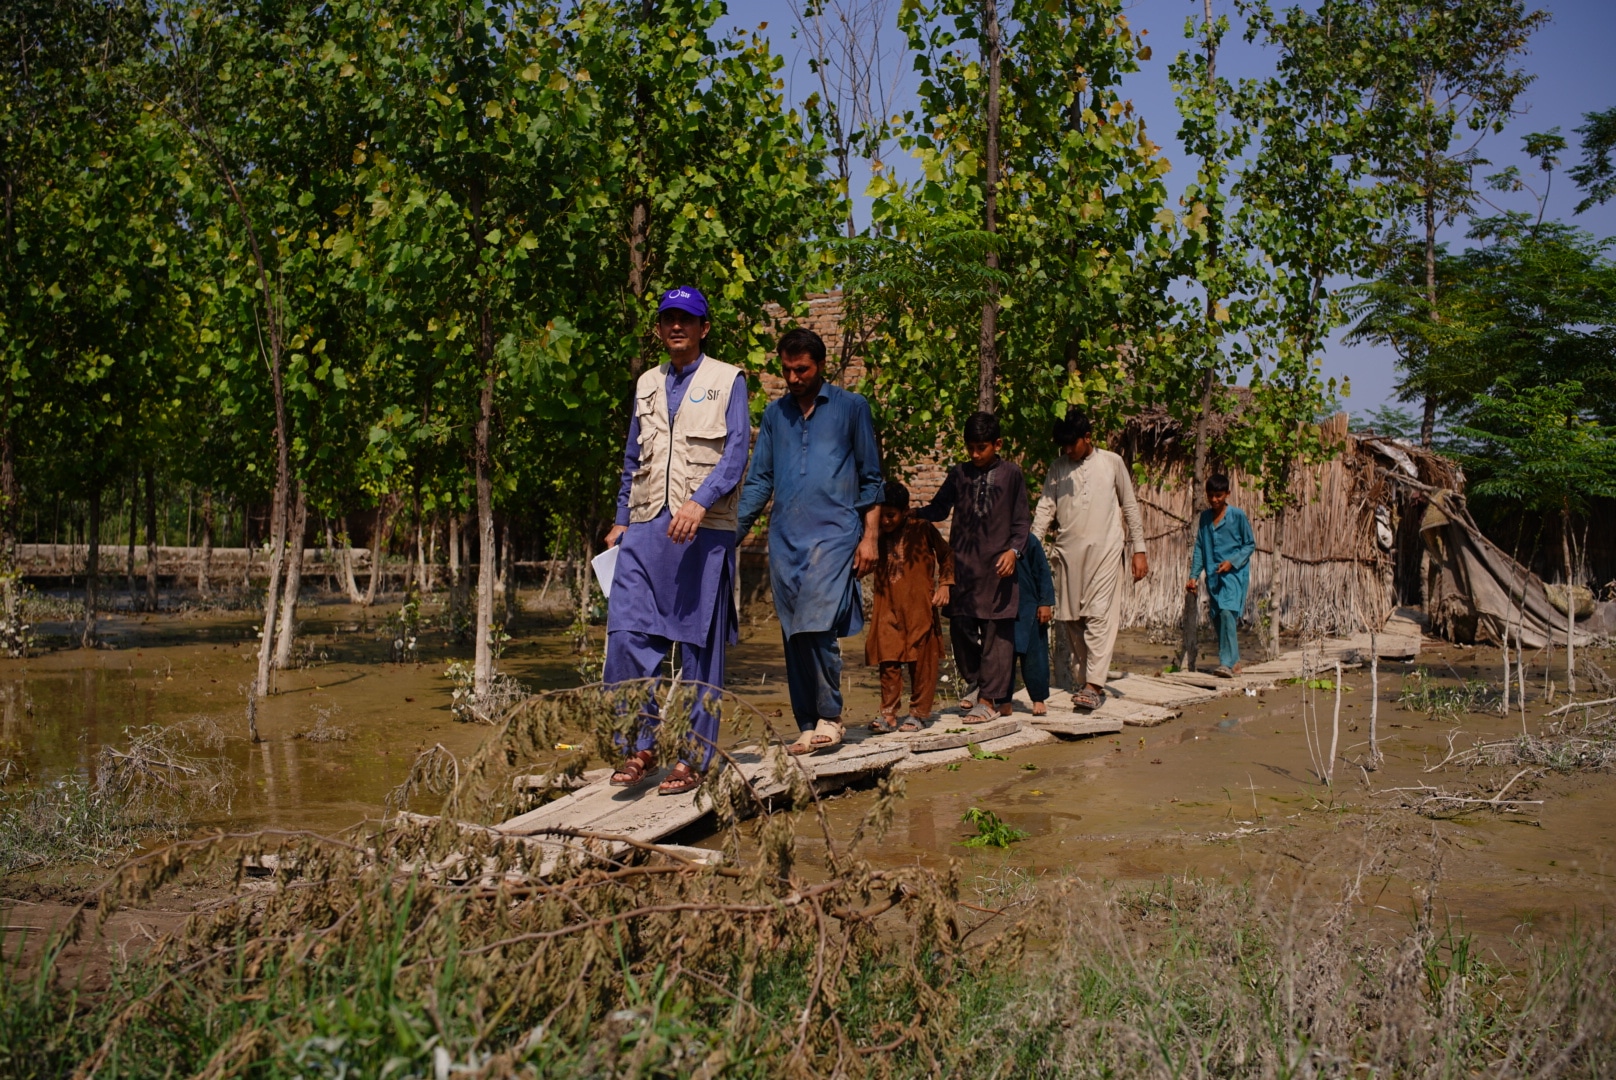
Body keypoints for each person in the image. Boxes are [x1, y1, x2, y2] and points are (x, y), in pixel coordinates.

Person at [602, 286, 749, 795]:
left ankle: (691, 757)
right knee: (626, 636)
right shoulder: (646, 382)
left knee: (697, 647)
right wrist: (622, 517)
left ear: (704, 328)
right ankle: (636, 746)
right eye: (668, 319)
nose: (677, 327)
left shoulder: (728, 379)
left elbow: (734, 455)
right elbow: (630, 458)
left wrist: (700, 501)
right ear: (660, 328)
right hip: (645, 527)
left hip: (702, 531)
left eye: (687, 319)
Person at [736, 328, 883, 755]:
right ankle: (806, 721)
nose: (793, 377)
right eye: (786, 370)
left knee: (817, 624)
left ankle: (830, 716)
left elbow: (872, 478)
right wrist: (733, 535)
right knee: (793, 632)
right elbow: (760, 479)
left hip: (836, 533)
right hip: (785, 538)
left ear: (821, 366)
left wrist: (869, 537)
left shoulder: (852, 409)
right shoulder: (774, 415)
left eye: (801, 369)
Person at [914, 412, 1031, 724]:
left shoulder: (1011, 474)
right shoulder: (959, 474)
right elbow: (939, 508)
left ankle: (989, 700)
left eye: (982, 447)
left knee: (997, 635)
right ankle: (977, 682)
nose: (975, 454)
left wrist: (1014, 552)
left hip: (999, 569)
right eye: (970, 448)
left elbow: (1021, 524)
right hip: (963, 566)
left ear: (998, 444)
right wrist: (911, 514)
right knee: (961, 627)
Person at [1030, 410, 1148, 712]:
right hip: (1068, 555)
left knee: (1098, 616)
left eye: (1073, 444)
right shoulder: (1057, 468)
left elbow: (1130, 506)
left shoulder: (1111, 462)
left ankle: (1094, 684)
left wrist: (1139, 549)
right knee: (1073, 620)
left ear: (1088, 438)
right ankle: (1087, 681)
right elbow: (1045, 508)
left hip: (1106, 551)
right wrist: (1031, 546)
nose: (1069, 450)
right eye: (1064, 446)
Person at [865, 481, 953, 733]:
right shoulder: (875, 534)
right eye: (881, 516)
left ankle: (919, 713)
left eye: (891, 515)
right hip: (886, 606)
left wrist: (945, 585)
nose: (885, 521)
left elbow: (946, 554)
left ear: (905, 511)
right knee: (888, 660)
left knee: (921, 661)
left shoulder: (922, 528)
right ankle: (888, 714)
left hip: (919, 606)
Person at [1186, 473, 1255, 677]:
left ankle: (1225, 663)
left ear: (1227, 494)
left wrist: (1231, 562)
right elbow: (1200, 547)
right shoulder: (1205, 519)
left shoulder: (1238, 516)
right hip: (1213, 578)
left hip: (1234, 576)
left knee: (1227, 613)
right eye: (1211, 495)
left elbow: (1250, 544)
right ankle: (1235, 663)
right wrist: (1194, 575)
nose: (1214, 499)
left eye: (1219, 495)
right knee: (1218, 618)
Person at [1005, 533, 1056, 716]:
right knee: (1003, 660)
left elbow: (1042, 571)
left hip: (1029, 608)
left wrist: (1045, 602)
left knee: (1036, 659)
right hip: (1002, 610)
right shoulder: (992, 538)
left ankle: (1038, 699)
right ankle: (1004, 701)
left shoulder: (1028, 540)